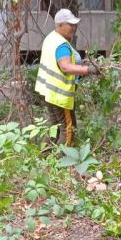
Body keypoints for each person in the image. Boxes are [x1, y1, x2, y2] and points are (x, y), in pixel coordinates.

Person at [35, 8, 100, 145]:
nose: (74, 28)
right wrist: (89, 70)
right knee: (68, 129)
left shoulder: (51, 38)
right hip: (60, 94)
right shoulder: (61, 45)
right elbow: (66, 67)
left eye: (75, 24)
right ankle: (62, 161)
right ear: (59, 25)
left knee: (55, 128)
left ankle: (46, 157)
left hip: (49, 91)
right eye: (70, 25)